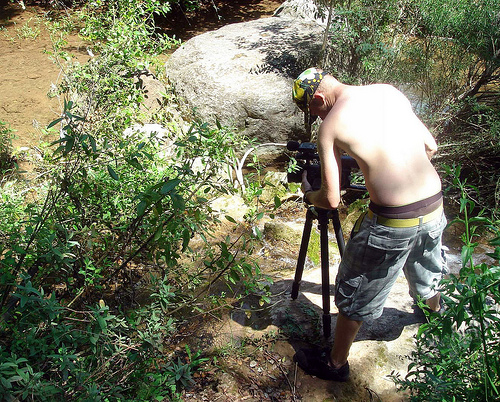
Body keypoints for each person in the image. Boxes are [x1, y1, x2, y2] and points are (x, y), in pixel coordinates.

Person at [291, 68, 447, 382]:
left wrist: (309, 194)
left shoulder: (331, 127)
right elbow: (430, 147)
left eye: (314, 111)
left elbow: (331, 199)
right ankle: (436, 318)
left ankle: (335, 363)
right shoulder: (388, 91)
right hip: (434, 204)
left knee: (358, 286)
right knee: (425, 264)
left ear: (320, 98)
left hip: (392, 222)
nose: (318, 119)